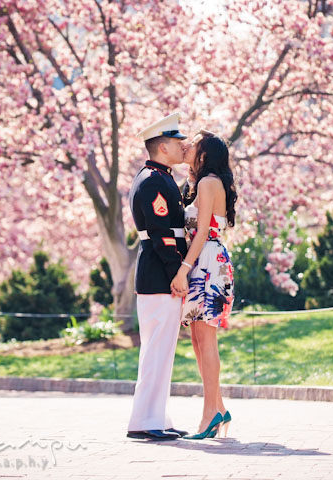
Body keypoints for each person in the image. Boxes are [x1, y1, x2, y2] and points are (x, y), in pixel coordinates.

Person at [126, 112, 190, 441]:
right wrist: (178, 273)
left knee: (161, 352)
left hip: (157, 274)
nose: (183, 146)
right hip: (159, 275)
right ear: (162, 147)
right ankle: (144, 421)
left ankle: (156, 417)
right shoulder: (153, 181)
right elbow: (162, 234)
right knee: (155, 352)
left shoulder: (158, 178)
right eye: (178, 142)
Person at [170, 130, 237, 440]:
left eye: (193, 144)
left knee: (206, 341)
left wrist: (184, 269)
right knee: (198, 341)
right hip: (203, 261)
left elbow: (202, 233)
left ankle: (210, 413)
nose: (188, 147)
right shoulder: (201, 183)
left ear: (205, 153)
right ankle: (218, 407)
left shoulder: (210, 183)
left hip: (208, 261)